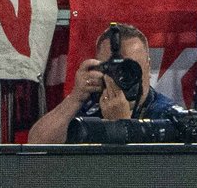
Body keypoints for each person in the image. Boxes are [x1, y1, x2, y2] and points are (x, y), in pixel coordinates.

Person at [27, 22, 178, 144]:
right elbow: (36, 145)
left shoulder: (167, 115)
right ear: (99, 68)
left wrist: (121, 125)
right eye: (115, 68)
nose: (123, 75)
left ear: (148, 66)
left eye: (131, 67)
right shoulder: (88, 107)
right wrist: (75, 98)